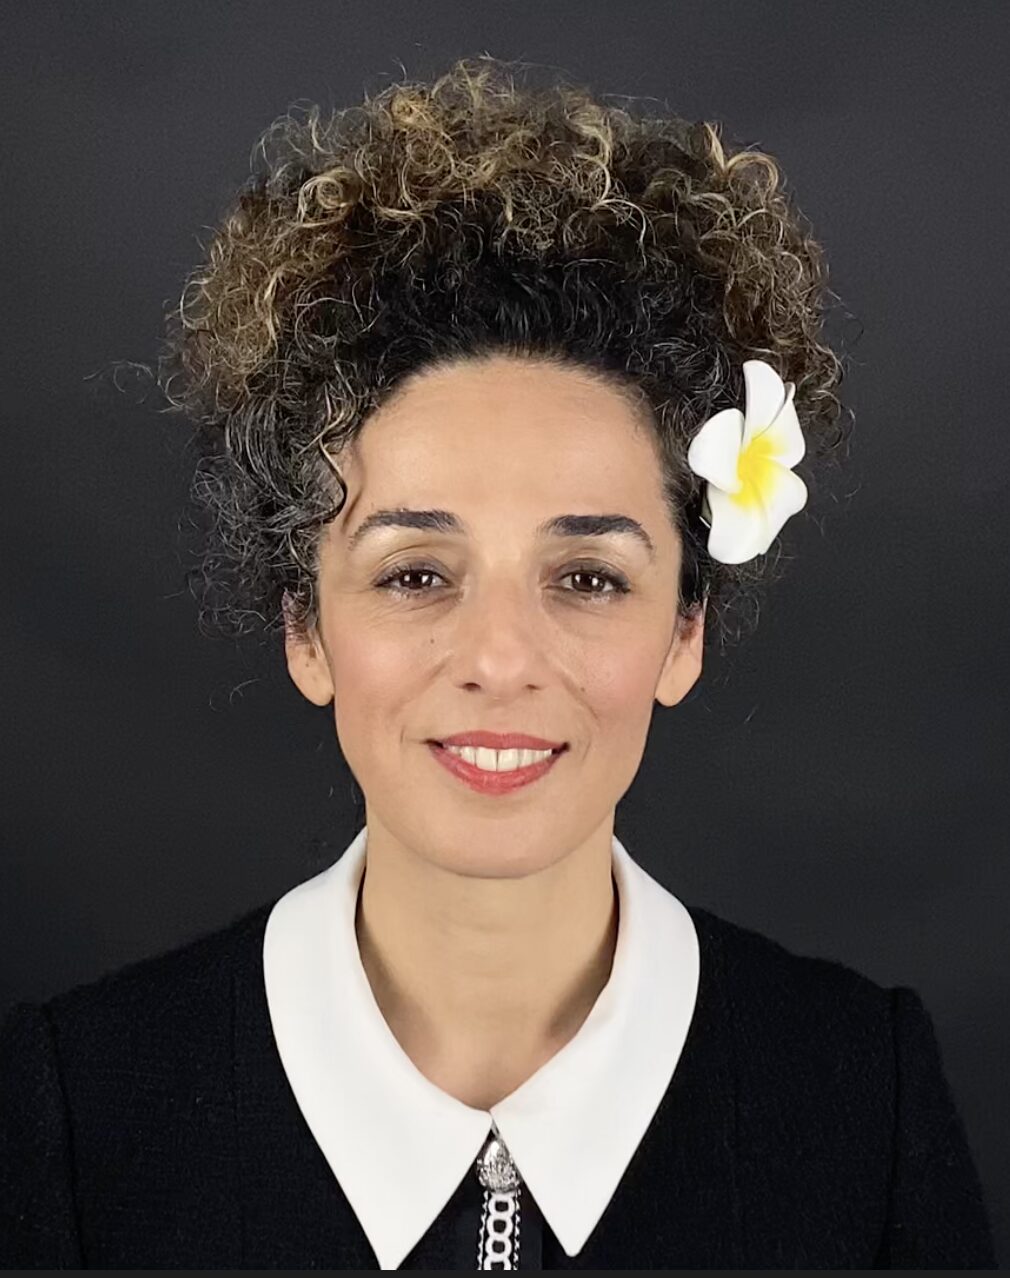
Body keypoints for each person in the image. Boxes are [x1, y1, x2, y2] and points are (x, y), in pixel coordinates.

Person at [0, 54, 997, 1270]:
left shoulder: (865, 1096)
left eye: (587, 578)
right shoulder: (75, 1101)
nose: (499, 659)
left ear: (684, 629)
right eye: (415, 574)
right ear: (303, 628)